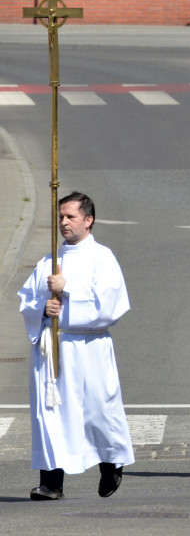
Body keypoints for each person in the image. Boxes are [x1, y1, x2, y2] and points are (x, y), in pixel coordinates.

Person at [18, 192, 134, 501]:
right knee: (49, 412)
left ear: (88, 220)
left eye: (70, 216)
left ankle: (111, 463)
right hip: (53, 347)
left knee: (98, 408)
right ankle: (51, 482)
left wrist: (67, 287)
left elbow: (110, 303)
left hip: (89, 347)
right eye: (61, 217)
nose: (64, 222)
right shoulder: (49, 261)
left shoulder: (102, 258)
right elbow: (26, 299)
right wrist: (44, 309)